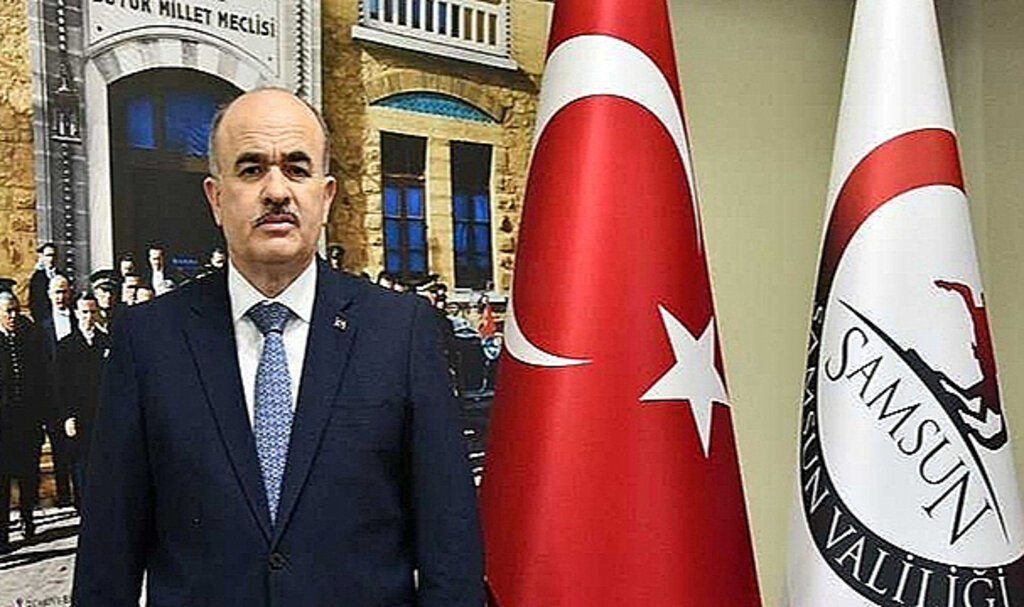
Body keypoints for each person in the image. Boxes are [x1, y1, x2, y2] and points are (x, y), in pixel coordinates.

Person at [74, 87, 482, 606]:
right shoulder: (149, 339)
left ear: (326, 196)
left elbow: (450, 542)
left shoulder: (400, 331)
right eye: (250, 169)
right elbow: (109, 552)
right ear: (215, 198)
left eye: (296, 168)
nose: (276, 191)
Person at [0, 291, 49, 551]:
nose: (13, 316)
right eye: (7, 311)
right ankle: (2, 532)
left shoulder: (28, 339)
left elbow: (39, 380)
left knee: (29, 474)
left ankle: (28, 519)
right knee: (2, 478)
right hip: (3, 425)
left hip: (27, 421)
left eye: (15, 310)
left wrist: (41, 418)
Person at [56, 293, 111, 508]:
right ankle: (83, 506)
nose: (88, 317)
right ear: (77, 313)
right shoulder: (66, 345)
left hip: (103, 413)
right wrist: (67, 416)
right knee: (81, 462)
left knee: (104, 460)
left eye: (92, 312)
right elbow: (60, 385)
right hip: (79, 414)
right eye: (85, 312)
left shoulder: (106, 341)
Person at [38, 273, 75, 506]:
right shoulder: (41, 328)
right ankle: (63, 496)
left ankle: (82, 495)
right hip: (53, 399)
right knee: (59, 449)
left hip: (77, 397)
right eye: (56, 292)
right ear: (49, 294)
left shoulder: (79, 320)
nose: (60, 297)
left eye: (64, 291)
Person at [29, 242, 59, 324]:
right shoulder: (37, 278)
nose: (51, 259)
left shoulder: (61, 275)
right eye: (48, 256)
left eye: (53, 255)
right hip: (43, 318)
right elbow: (34, 301)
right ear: (42, 257)